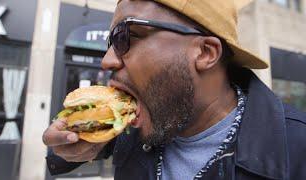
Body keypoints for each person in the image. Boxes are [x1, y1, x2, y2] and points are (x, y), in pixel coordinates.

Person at [42, 0, 306, 179]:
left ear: (205, 52)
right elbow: (89, 145)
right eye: (111, 41)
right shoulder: (143, 119)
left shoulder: (296, 152)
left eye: (125, 37)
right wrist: (74, 147)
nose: (107, 60)